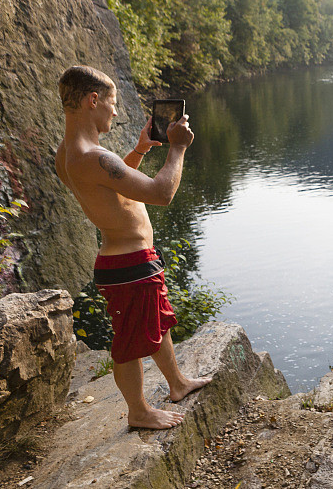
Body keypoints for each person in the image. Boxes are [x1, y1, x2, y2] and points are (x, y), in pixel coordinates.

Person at [56, 65, 211, 429]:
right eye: (111, 103)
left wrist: (140, 151)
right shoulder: (93, 156)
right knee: (128, 341)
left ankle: (177, 383)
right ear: (93, 100)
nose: (115, 111)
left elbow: (111, 190)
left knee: (157, 322)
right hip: (127, 264)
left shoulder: (69, 153)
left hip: (129, 260)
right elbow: (161, 193)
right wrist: (177, 147)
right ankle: (138, 411)